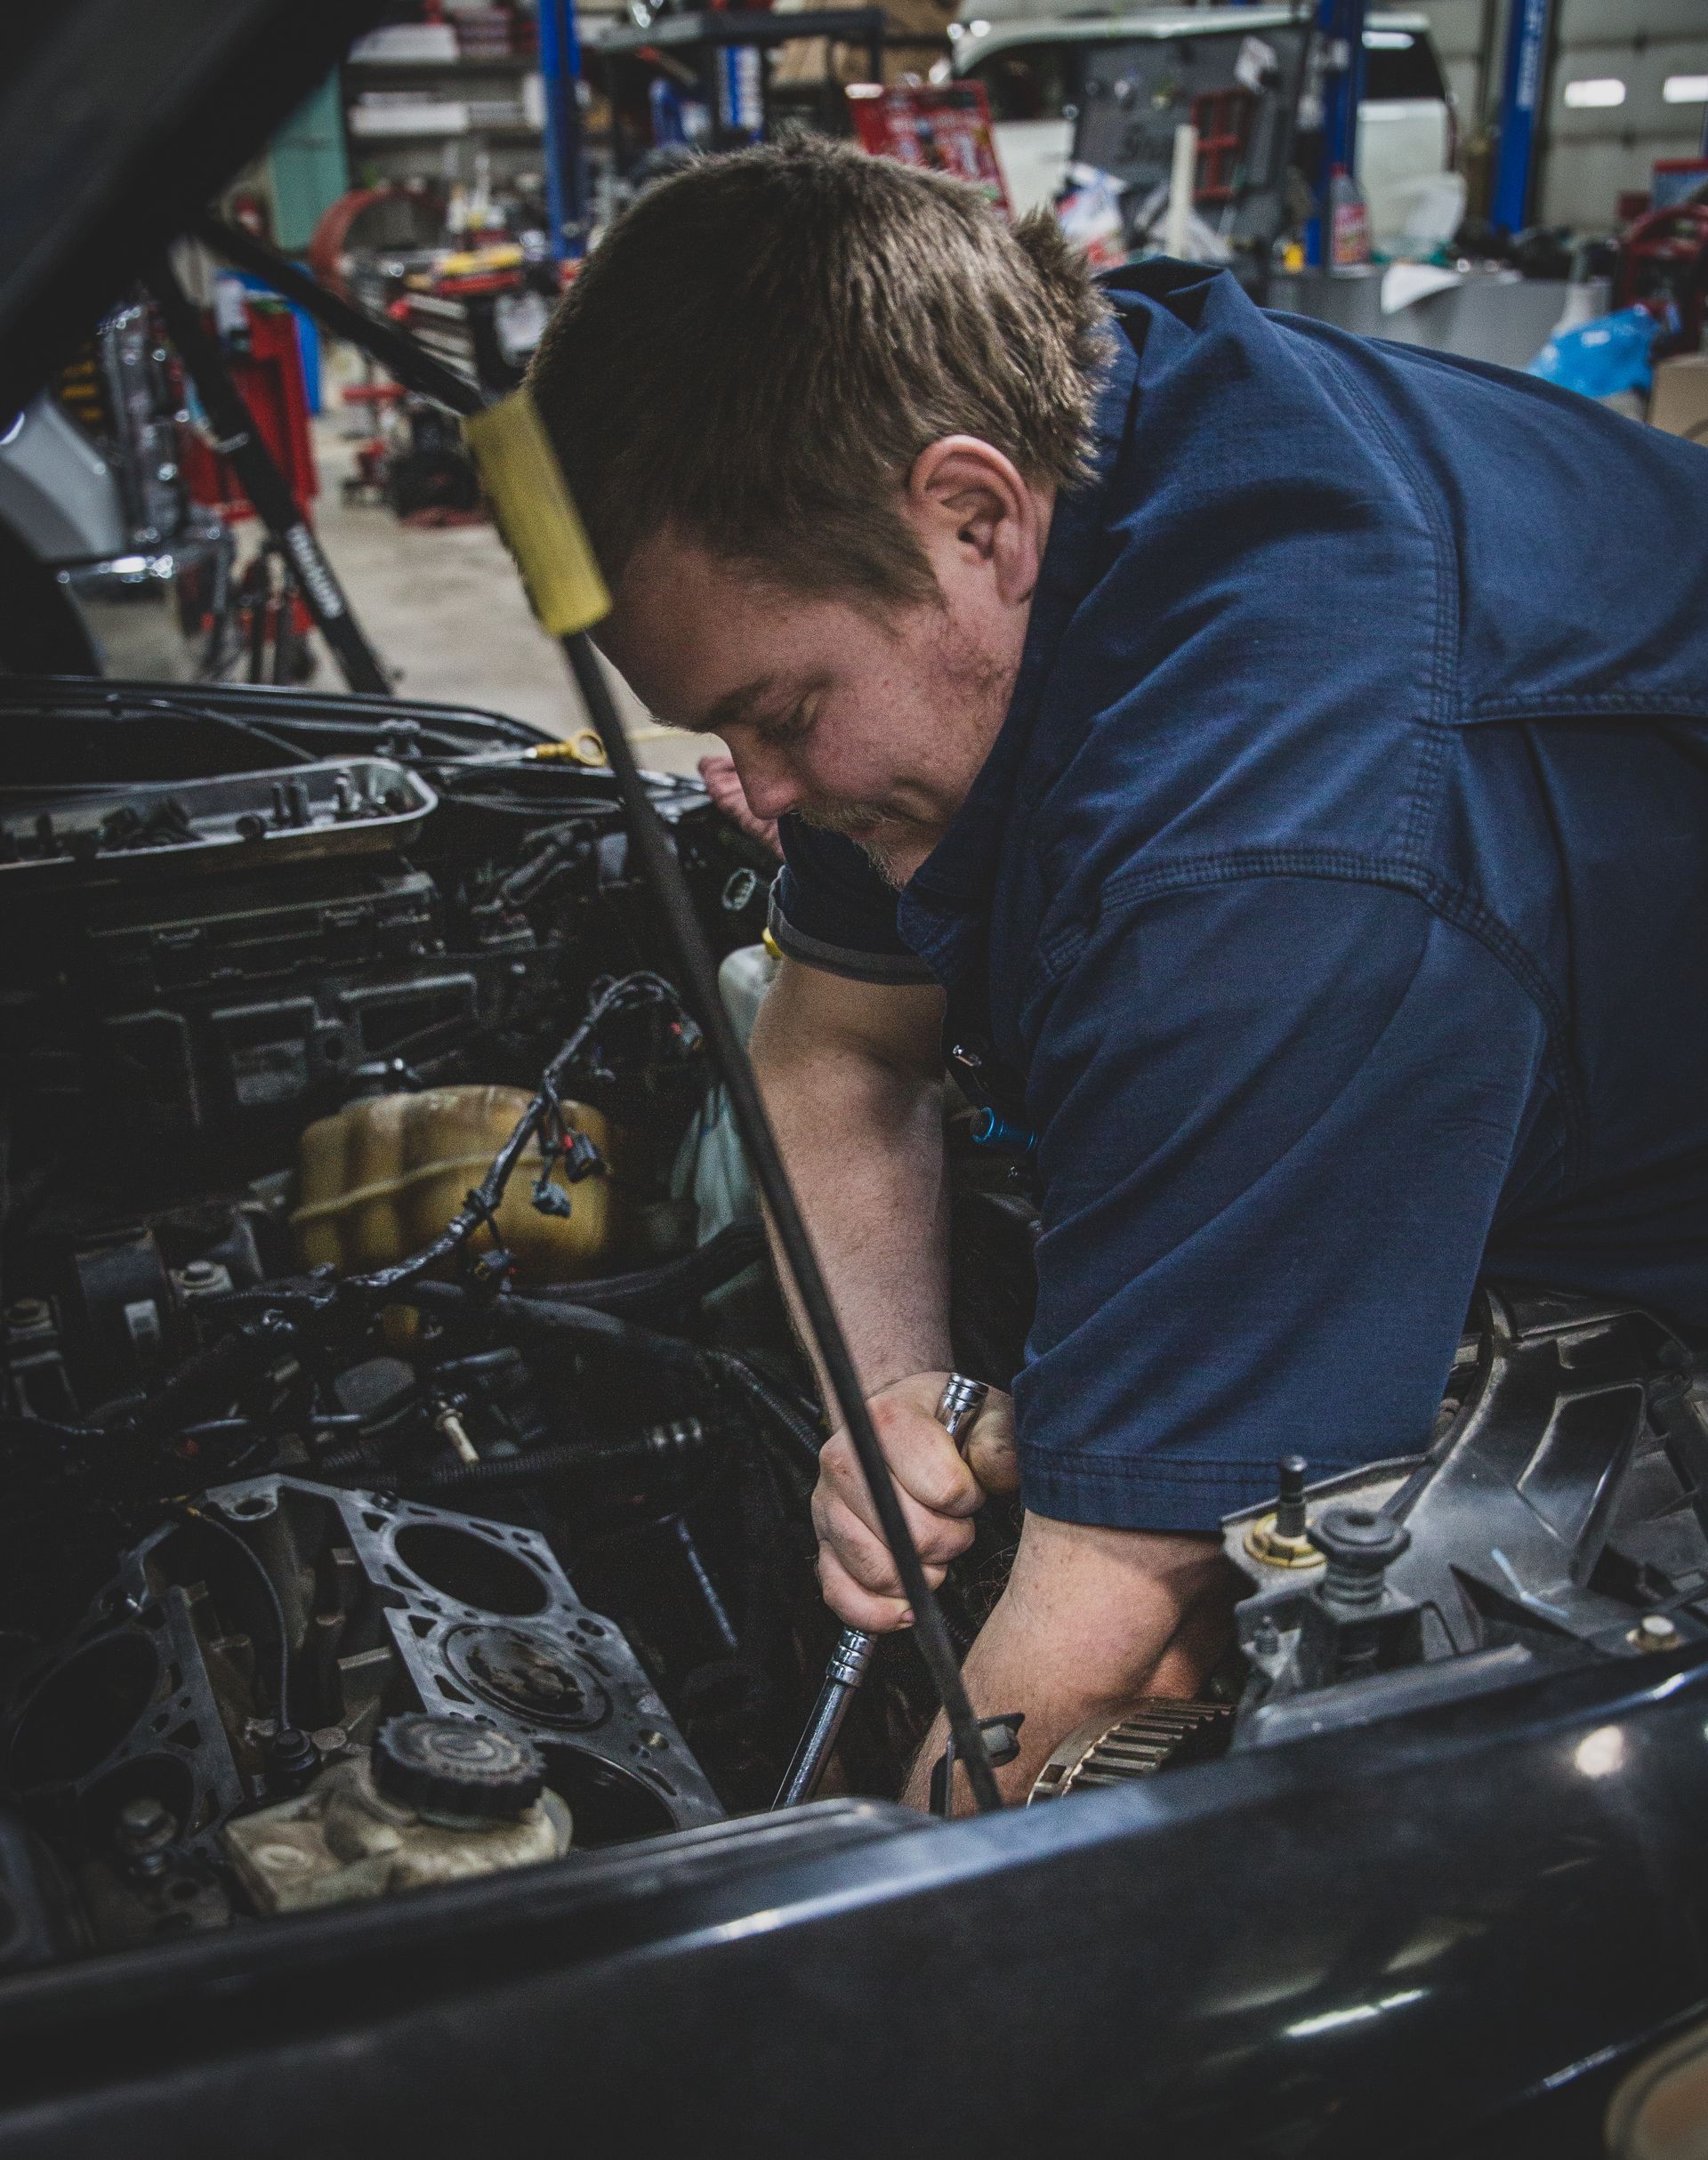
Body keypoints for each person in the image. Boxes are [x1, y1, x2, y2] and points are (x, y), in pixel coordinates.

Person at [528, 139, 1708, 1806]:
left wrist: (849, 1974)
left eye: (782, 716)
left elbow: (1120, 1640)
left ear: (973, 512)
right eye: (722, 727)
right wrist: (889, 1405)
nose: (761, 794)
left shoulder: (1271, 872)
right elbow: (832, 1053)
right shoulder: (1074, 422)